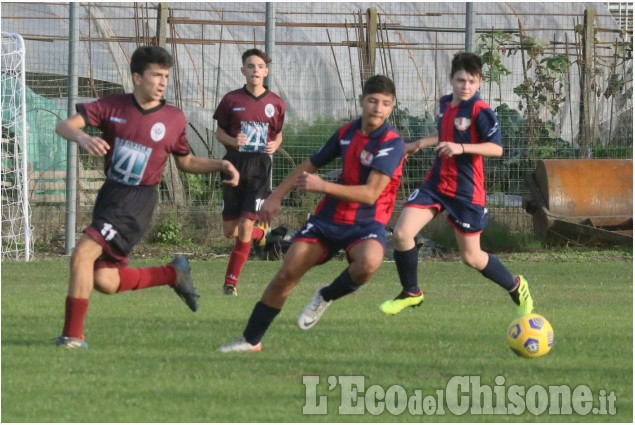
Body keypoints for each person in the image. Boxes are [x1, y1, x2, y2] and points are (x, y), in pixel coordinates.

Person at [53, 45, 239, 349]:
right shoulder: (113, 106)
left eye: (166, 75)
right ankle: (171, 273)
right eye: (156, 75)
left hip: (136, 201)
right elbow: (64, 125)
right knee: (105, 281)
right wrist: (84, 136)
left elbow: (186, 162)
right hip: (111, 194)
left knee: (82, 254)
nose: (163, 81)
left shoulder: (173, 118)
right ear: (137, 77)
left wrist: (221, 163)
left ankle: (72, 337)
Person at [219, 75, 405, 353]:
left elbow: (370, 194)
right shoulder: (346, 133)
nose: (378, 108)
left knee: (368, 264)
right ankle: (251, 340)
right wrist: (275, 196)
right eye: (373, 101)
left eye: (385, 104)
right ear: (362, 101)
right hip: (328, 220)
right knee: (287, 273)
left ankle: (325, 295)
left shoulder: (392, 142)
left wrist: (322, 186)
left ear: (391, 108)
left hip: (366, 223)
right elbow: (309, 164)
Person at [378, 52, 534, 317]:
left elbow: (496, 149)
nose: (466, 86)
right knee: (402, 234)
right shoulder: (444, 104)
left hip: (466, 191)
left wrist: (460, 147)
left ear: (480, 82)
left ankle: (516, 285)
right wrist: (418, 144)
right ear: (451, 80)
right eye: (461, 80)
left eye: (472, 81)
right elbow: (445, 134)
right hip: (436, 184)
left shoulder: (481, 112)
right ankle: (411, 292)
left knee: (471, 257)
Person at [213, 48, 286, 296]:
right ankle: (260, 233)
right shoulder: (231, 100)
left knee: (244, 227)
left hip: (259, 168)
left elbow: (277, 135)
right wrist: (233, 141)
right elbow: (219, 133)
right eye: (250, 66)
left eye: (260, 66)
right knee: (230, 232)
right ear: (243, 70)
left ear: (266, 71)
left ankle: (230, 284)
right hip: (233, 166)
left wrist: (276, 144)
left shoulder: (275, 103)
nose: (255, 70)